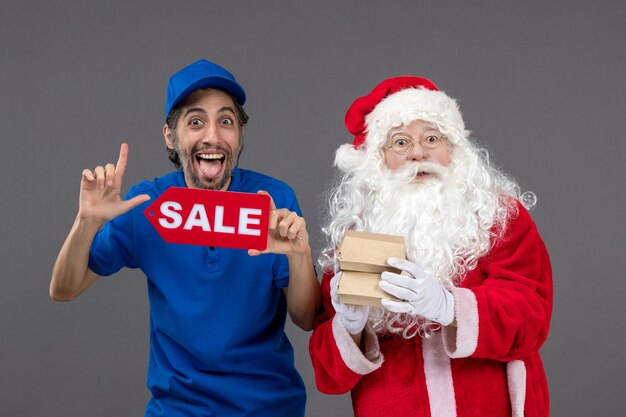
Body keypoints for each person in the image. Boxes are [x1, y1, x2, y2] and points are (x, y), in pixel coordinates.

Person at [50, 59, 320, 417]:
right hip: (177, 409)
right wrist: (86, 222)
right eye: (195, 121)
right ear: (170, 136)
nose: (212, 135)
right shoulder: (146, 205)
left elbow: (306, 317)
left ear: (239, 134)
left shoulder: (273, 200)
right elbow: (64, 289)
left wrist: (299, 254)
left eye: (226, 121)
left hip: (269, 407)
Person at [309, 76, 552, 417]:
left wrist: (450, 307)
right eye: (400, 142)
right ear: (378, 159)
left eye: (431, 138)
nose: (418, 152)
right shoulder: (355, 235)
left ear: (453, 147)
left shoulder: (499, 217)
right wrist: (348, 327)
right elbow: (329, 377)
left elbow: (532, 316)